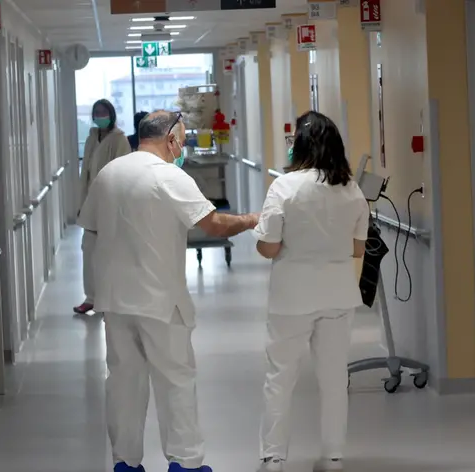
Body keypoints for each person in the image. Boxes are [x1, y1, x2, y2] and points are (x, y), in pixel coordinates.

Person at [78, 110, 260, 472]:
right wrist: (253, 219)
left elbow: (92, 229)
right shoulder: (169, 176)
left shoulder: (108, 174)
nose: (184, 146)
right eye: (184, 138)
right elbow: (214, 224)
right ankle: (185, 462)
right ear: (171, 139)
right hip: (159, 300)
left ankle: (125, 463)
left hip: (115, 300)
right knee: (175, 381)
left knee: (123, 385)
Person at [253, 111, 369, 472]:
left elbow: (268, 247)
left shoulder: (284, 187)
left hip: (292, 297)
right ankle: (333, 455)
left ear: (299, 145)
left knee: (280, 377)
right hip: (338, 295)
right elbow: (358, 249)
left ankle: (274, 457)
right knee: (334, 379)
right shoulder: (352, 189)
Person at [74, 99, 131, 315]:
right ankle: (91, 298)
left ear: (111, 114)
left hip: (111, 204)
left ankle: (111, 299)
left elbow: (124, 173)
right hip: (91, 203)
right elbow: (85, 174)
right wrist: (81, 204)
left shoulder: (119, 139)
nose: (100, 116)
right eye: (96, 112)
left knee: (110, 252)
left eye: (103, 112)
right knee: (88, 250)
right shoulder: (91, 138)